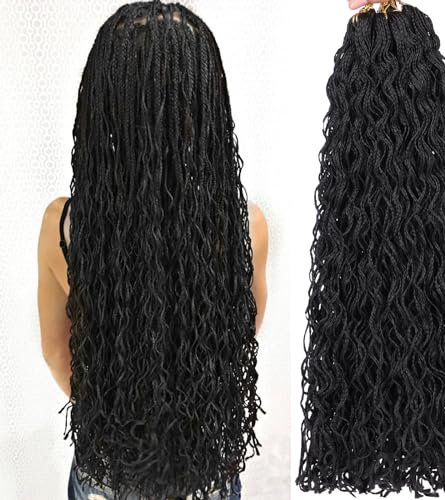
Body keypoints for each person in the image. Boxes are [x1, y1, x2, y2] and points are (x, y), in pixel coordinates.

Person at [37, 2, 268, 499]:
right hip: (205, 463)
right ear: (204, 101)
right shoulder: (245, 226)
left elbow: (56, 352)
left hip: (109, 463)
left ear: (104, 102)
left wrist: (119, 415)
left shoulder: (63, 224)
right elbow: (241, 333)